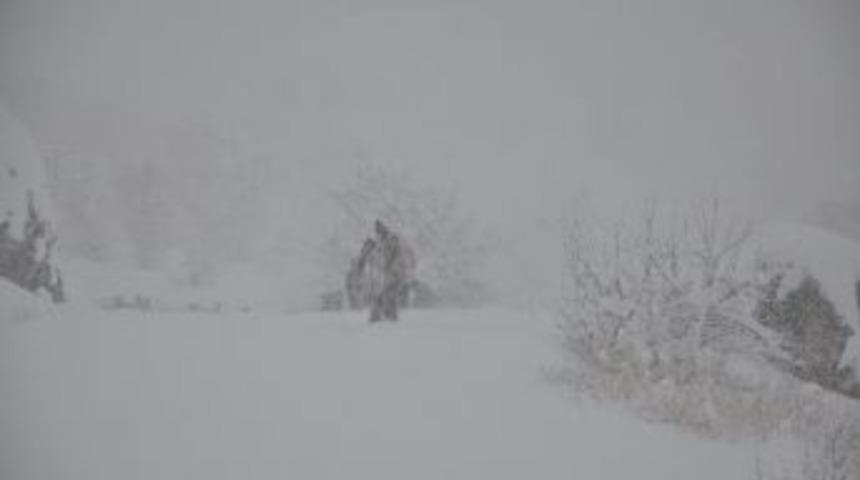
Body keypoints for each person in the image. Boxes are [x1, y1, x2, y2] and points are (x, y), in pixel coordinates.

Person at [368, 220, 409, 323]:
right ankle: (378, 316)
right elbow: (376, 257)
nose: (377, 232)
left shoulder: (391, 239)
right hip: (382, 274)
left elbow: (398, 256)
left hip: (393, 273)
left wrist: (393, 269)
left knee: (389, 295)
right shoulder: (379, 241)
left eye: (379, 229)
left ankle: (389, 316)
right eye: (376, 230)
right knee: (380, 295)